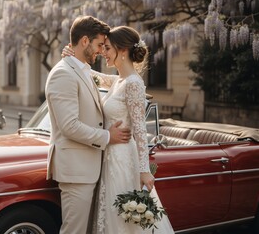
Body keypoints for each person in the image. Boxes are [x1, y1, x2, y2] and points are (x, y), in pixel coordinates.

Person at [63, 25, 174, 233]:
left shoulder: (133, 83)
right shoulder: (120, 80)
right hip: (110, 156)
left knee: (125, 221)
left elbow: (141, 131)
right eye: (102, 48)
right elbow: (94, 77)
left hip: (123, 160)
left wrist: (144, 170)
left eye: (107, 48)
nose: (103, 53)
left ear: (122, 51)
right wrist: (73, 58)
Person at [45, 16, 132, 234]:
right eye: (99, 45)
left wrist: (132, 77)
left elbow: (121, 81)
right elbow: (69, 126)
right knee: (74, 231)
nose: (102, 51)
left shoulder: (80, 69)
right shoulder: (63, 74)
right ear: (85, 41)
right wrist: (107, 137)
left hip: (90, 168)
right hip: (76, 171)